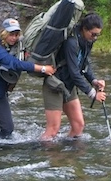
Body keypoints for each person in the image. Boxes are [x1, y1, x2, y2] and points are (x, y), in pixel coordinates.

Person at [0, 18, 54, 139]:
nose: (14, 38)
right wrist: (43, 68)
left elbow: (19, 60)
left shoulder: (12, 49)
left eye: (16, 35)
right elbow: (15, 63)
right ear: (3, 33)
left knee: (8, 128)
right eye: (11, 34)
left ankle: (0, 152)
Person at [41, 12, 106, 141]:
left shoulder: (87, 41)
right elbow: (74, 72)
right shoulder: (71, 43)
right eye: (93, 34)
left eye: (97, 35)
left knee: (78, 126)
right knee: (53, 130)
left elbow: (84, 63)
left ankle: (69, 156)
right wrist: (92, 93)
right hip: (55, 85)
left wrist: (93, 80)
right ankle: (46, 156)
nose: (95, 38)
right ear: (84, 29)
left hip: (69, 86)